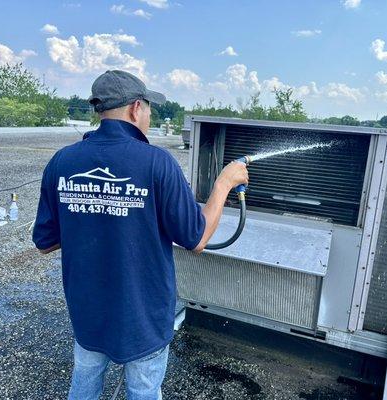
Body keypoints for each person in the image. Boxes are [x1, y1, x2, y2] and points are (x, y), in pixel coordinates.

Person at [32, 70, 248, 400]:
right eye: (149, 108)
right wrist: (224, 184)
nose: (149, 115)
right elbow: (197, 237)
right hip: (143, 318)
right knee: (144, 392)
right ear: (136, 108)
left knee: (84, 387)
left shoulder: (62, 162)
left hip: (88, 314)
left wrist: (90, 214)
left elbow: (45, 243)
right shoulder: (157, 163)